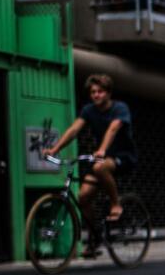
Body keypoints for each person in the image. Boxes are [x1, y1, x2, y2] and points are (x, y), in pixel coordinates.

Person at [46, 73, 138, 258]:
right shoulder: (89, 110)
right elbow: (74, 130)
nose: (96, 95)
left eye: (100, 92)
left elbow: (113, 128)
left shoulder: (120, 108)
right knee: (83, 197)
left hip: (123, 157)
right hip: (101, 158)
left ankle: (115, 204)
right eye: (93, 92)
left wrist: (103, 150)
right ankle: (94, 240)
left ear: (108, 93)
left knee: (99, 167)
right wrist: (54, 149)